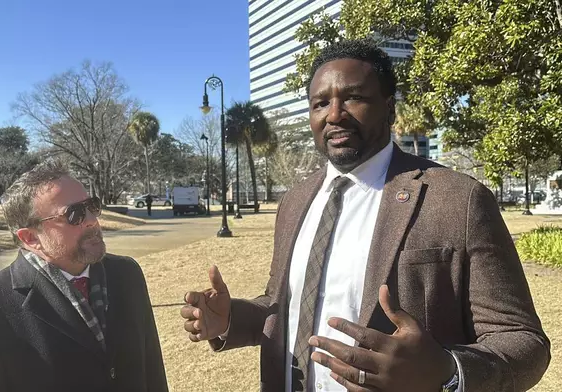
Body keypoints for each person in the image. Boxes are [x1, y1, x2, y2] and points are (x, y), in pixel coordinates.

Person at [181, 39, 550, 392]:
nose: (335, 115)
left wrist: (445, 371)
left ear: (389, 108)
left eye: (353, 97)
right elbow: (283, 307)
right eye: (320, 104)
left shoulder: (458, 198)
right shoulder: (294, 202)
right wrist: (229, 319)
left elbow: (523, 341)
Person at [0, 160, 168, 392]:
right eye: (74, 214)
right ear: (30, 238)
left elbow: (152, 372)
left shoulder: (126, 273)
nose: (92, 220)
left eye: (91, 206)